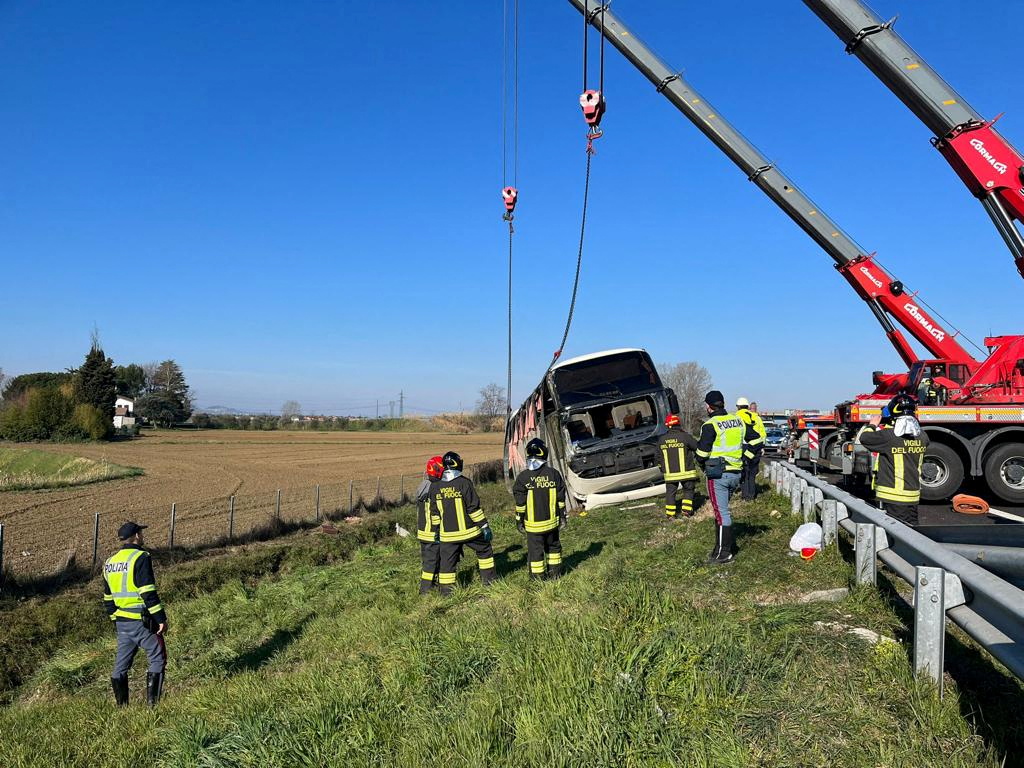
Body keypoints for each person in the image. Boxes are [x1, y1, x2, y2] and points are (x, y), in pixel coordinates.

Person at [102, 521, 167, 707]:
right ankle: (152, 706)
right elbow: (147, 591)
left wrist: (116, 619)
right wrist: (160, 619)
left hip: (122, 622)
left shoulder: (109, 563)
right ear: (137, 535)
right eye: (141, 533)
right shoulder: (141, 557)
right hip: (142, 620)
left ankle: (122, 707)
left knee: (120, 666)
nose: (142, 536)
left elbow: (107, 597)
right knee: (157, 658)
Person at [695, 390, 758, 564]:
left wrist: (700, 464)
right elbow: (756, 440)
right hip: (736, 473)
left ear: (708, 407)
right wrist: (747, 458)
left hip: (718, 475)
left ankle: (724, 553)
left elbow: (702, 453)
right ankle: (718, 549)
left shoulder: (710, 425)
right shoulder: (738, 421)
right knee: (720, 513)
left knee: (721, 513)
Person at [858, 393, 930, 526]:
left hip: (892, 498)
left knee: (895, 535)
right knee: (912, 534)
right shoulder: (923, 437)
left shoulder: (889, 437)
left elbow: (865, 438)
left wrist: (872, 425)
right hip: (913, 497)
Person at [432, 451, 496, 595]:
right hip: (470, 532)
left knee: (447, 564)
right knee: (485, 550)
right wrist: (484, 526)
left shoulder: (435, 487)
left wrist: (436, 531)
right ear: (457, 464)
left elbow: (434, 513)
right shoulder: (464, 483)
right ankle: (489, 582)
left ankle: (446, 593)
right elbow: (473, 509)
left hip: (448, 536)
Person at [512, 438, 567, 580]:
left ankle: (537, 579)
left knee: (535, 552)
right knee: (554, 548)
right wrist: (562, 517)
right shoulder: (553, 474)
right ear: (544, 453)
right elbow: (561, 499)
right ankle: (555, 574)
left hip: (533, 526)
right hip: (552, 523)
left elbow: (520, 504)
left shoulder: (523, 477)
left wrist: (519, 520)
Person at [657, 413, 699, 519]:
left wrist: (662, 468)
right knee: (688, 490)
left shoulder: (662, 440)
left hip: (670, 475)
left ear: (668, 425)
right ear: (678, 424)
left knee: (670, 493)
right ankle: (686, 512)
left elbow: (657, 457)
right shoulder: (685, 436)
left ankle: (670, 515)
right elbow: (697, 447)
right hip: (687, 473)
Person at [416, 455, 445, 594]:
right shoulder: (435, 487)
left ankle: (430, 585)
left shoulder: (424, 486)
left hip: (423, 531)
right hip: (432, 532)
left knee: (429, 560)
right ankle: (425, 590)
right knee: (431, 562)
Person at [736, 397, 767, 500]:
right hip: (757, 447)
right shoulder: (756, 417)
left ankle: (745, 496)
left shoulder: (736, 417)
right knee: (753, 473)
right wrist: (762, 447)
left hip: (744, 447)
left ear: (738, 407)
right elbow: (762, 433)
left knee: (744, 472)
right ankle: (752, 495)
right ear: (748, 407)